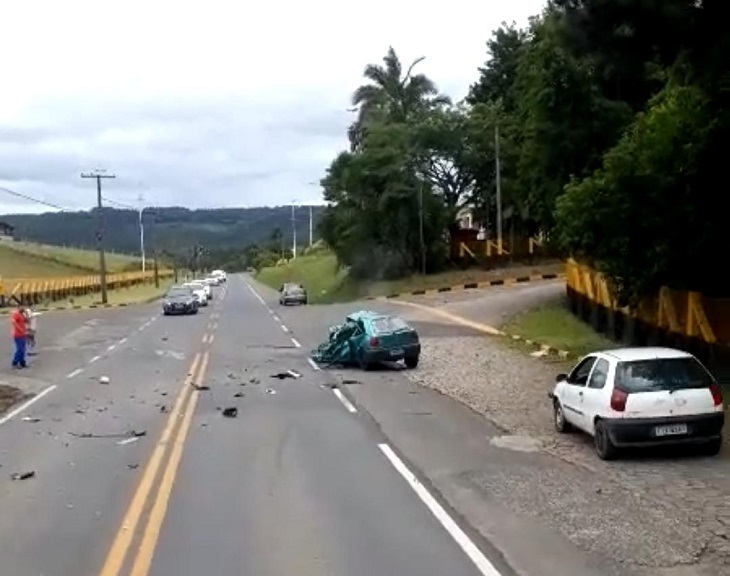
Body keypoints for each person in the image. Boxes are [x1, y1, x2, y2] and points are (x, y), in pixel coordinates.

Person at [10, 303, 28, 368]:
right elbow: (13, 322)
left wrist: (26, 314)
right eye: (22, 307)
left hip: (23, 334)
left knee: (23, 349)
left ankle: (22, 362)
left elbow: (27, 321)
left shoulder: (22, 314)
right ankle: (15, 362)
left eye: (24, 307)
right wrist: (20, 329)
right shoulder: (16, 314)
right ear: (19, 307)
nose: (23, 308)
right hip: (17, 335)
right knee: (20, 349)